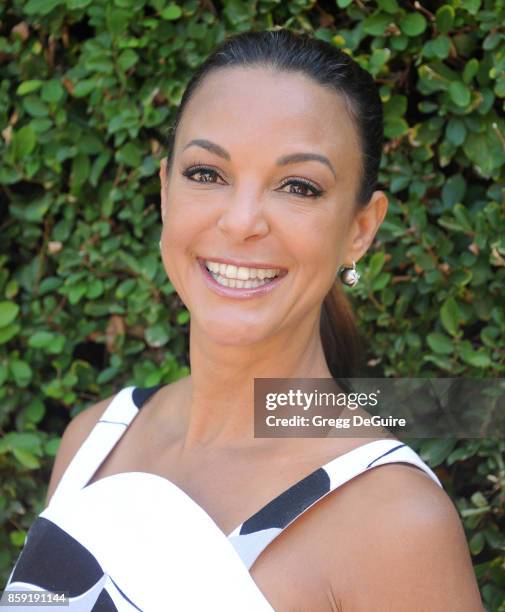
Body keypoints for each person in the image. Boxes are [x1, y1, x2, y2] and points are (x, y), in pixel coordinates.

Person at [2, 29, 483, 611]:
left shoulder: (391, 520)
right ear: (164, 190)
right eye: (207, 174)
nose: (241, 221)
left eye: (298, 186)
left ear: (360, 229)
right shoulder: (94, 439)